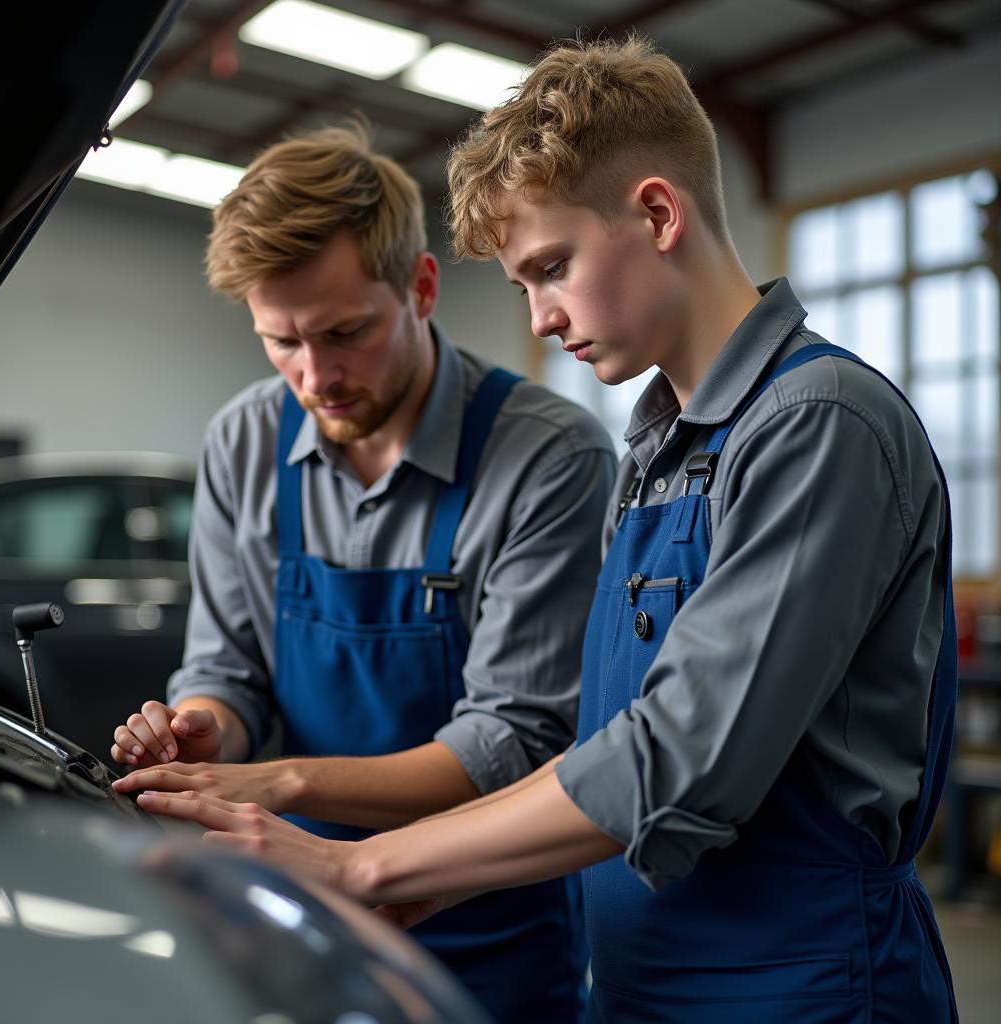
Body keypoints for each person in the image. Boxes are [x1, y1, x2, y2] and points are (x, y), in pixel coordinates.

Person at [128, 38, 960, 1024]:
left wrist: (365, 861)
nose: (540, 316)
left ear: (656, 213)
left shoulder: (818, 424)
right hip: (646, 976)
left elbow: (673, 758)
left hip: (799, 987)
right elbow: (602, 735)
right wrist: (444, 875)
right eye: (523, 284)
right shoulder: (660, 446)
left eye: (550, 268)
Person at [110, 124, 616, 1021]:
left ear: (420, 287)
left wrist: (286, 782)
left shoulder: (547, 455)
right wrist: (202, 732)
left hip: (487, 929)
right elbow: (228, 671)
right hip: (296, 919)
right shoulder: (242, 442)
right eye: (282, 342)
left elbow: (512, 743)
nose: (317, 376)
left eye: (346, 332)